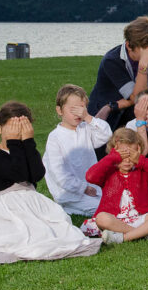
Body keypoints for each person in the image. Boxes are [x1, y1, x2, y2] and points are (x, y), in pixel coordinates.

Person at [0, 101, 100, 264]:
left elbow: (37, 174)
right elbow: (18, 174)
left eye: (22, 128)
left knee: (52, 229)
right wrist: (13, 142)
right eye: (12, 127)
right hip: (5, 206)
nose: (17, 133)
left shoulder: (27, 149)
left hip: (31, 201)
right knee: (20, 235)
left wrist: (28, 143)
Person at [86, 128, 148, 243]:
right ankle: (145, 234)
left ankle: (123, 237)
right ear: (114, 153)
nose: (126, 160)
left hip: (139, 218)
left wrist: (140, 160)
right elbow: (90, 176)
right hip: (114, 219)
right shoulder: (108, 171)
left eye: (131, 155)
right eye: (122, 155)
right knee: (101, 218)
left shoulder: (141, 171)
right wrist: (112, 158)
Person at [43, 84, 112, 219]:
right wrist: (82, 187)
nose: (78, 114)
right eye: (73, 110)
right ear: (60, 110)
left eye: (81, 109)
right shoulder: (55, 137)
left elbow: (106, 135)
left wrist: (88, 117)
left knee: (120, 201)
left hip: (92, 189)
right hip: (69, 194)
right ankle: (67, 207)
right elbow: (59, 174)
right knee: (104, 209)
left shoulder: (85, 128)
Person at [87, 16, 148, 130]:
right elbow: (137, 98)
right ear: (129, 46)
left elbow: (143, 95)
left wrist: (126, 103)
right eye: (145, 51)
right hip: (105, 114)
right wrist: (143, 67)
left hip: (127, 111)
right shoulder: (111, 61)